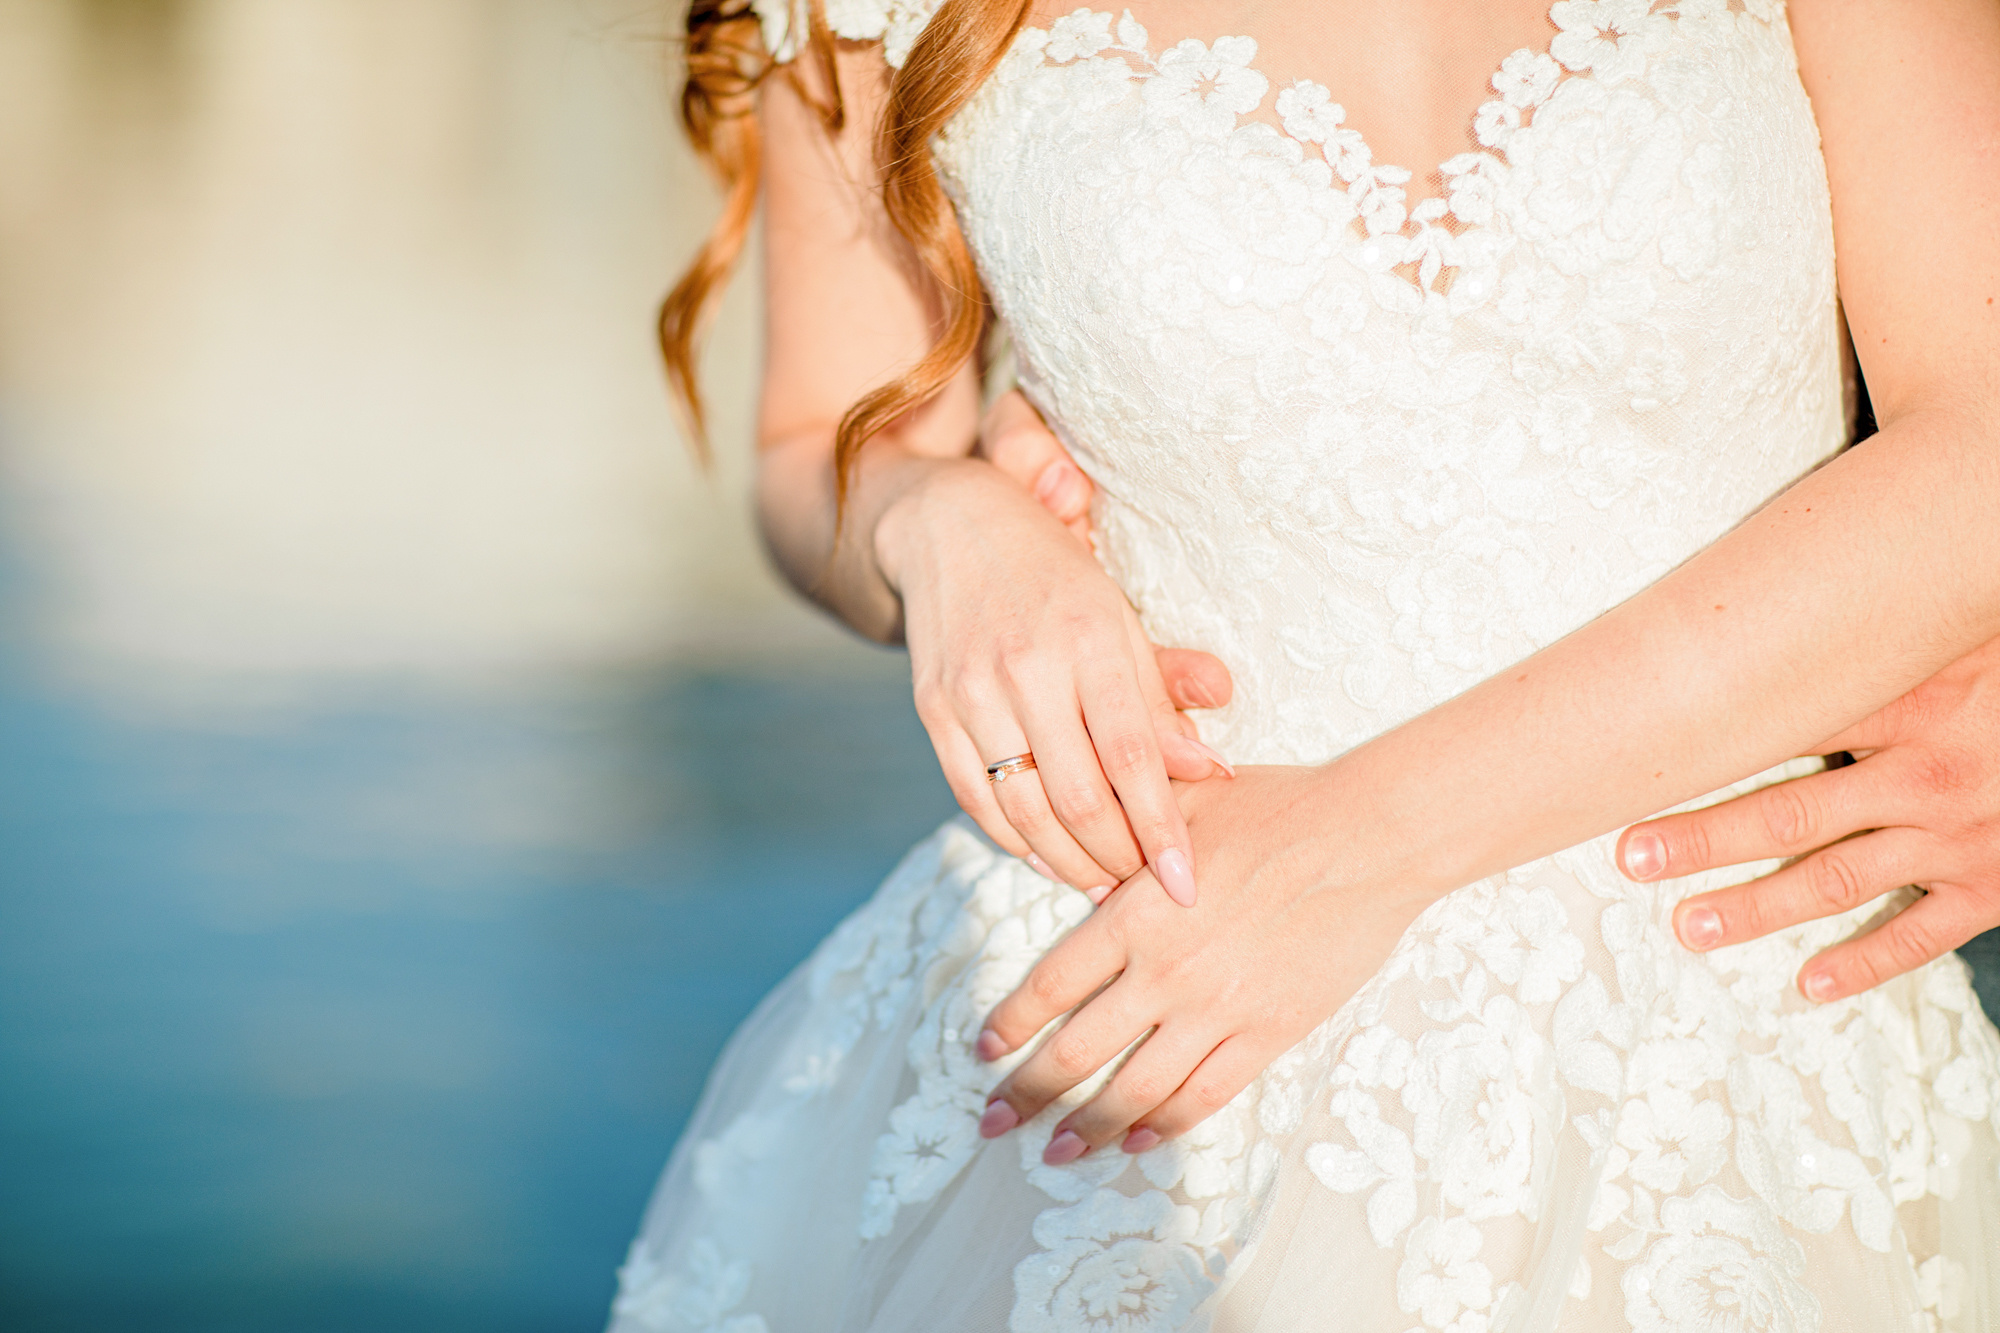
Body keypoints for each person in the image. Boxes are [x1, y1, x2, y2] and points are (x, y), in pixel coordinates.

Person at [613, 0, 2000, 1328]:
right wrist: (938, 522)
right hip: (1154, 1017)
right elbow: (818, 442)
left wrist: (1360, 844)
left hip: (1750, 1026)